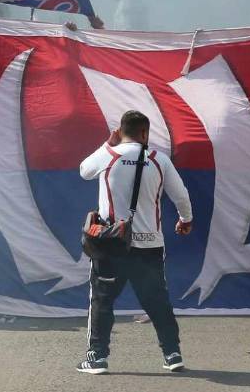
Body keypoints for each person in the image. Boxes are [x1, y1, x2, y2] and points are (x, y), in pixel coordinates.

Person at [77, 110, 192, 375]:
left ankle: (97, 357)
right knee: (157, 300)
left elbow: (84, 171)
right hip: (150, 244)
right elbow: (180, 195)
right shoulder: (159, 159)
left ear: (121, 131)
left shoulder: (109, 154)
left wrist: (108, 143)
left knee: (103, 300)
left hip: (112, 245)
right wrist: (186, 219)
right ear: (145, 133)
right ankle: (172, 354)